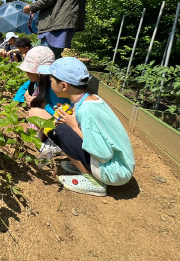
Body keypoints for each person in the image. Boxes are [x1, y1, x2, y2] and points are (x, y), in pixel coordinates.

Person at [38, 57, 135, 196]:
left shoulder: (86, 110)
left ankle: (93, 181)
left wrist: (73, 126)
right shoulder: (90, 100)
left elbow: (103, 153)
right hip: (120, 164)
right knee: (64, 127)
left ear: (64, 86)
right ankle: (84, 166)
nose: (50, 84)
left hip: (115, 172)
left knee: (59, 130)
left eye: (51, 81)